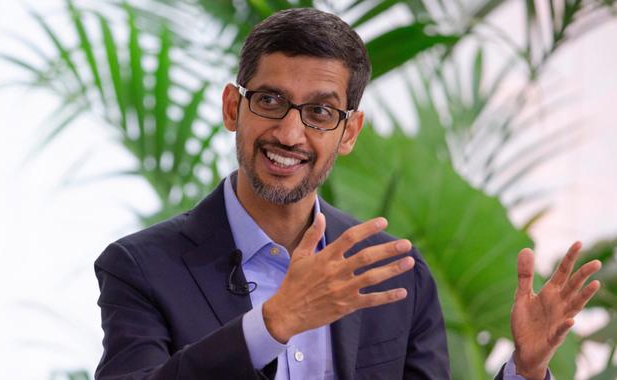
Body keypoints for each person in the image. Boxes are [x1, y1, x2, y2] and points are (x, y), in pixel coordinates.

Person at [93, 8, 602, 380]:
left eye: (319, 112)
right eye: (269, 101)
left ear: (350, 131)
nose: (290, 134)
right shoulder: (139, 267)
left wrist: (526, 369)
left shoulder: (396, 274)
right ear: (233, 107)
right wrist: (271, 325)